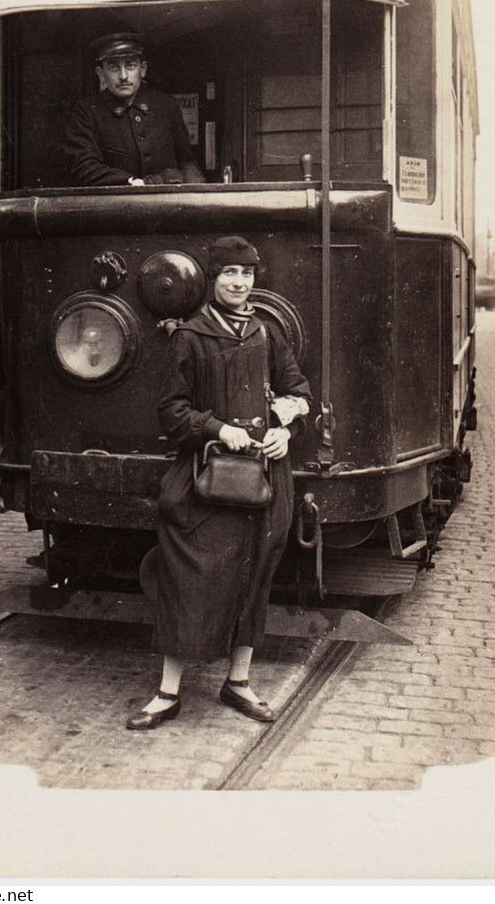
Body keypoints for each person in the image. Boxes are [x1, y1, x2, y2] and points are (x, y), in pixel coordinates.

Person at [127, 236, 311, 730]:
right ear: (213, 281)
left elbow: (297, 391)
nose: (238, 282)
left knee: (254, 579)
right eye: (229, 273)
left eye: (246, 274)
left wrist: (285, 431)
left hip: (263, 481)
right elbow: (171, 410)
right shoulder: (190, 336)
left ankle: (239, 682)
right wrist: (218, 429)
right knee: (189, 581)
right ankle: (167, 694)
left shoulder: (266, 332)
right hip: (203, 481)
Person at [62, 32, 205, 186]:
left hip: (165, 203)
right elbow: (83, 167)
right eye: (113, 67)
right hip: (115, 206)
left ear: (142, 69)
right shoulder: (87, 110)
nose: (123, 76)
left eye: (130, 66)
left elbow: (186, 160)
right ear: (101, 74)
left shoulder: (166, 105)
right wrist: (131, 181)